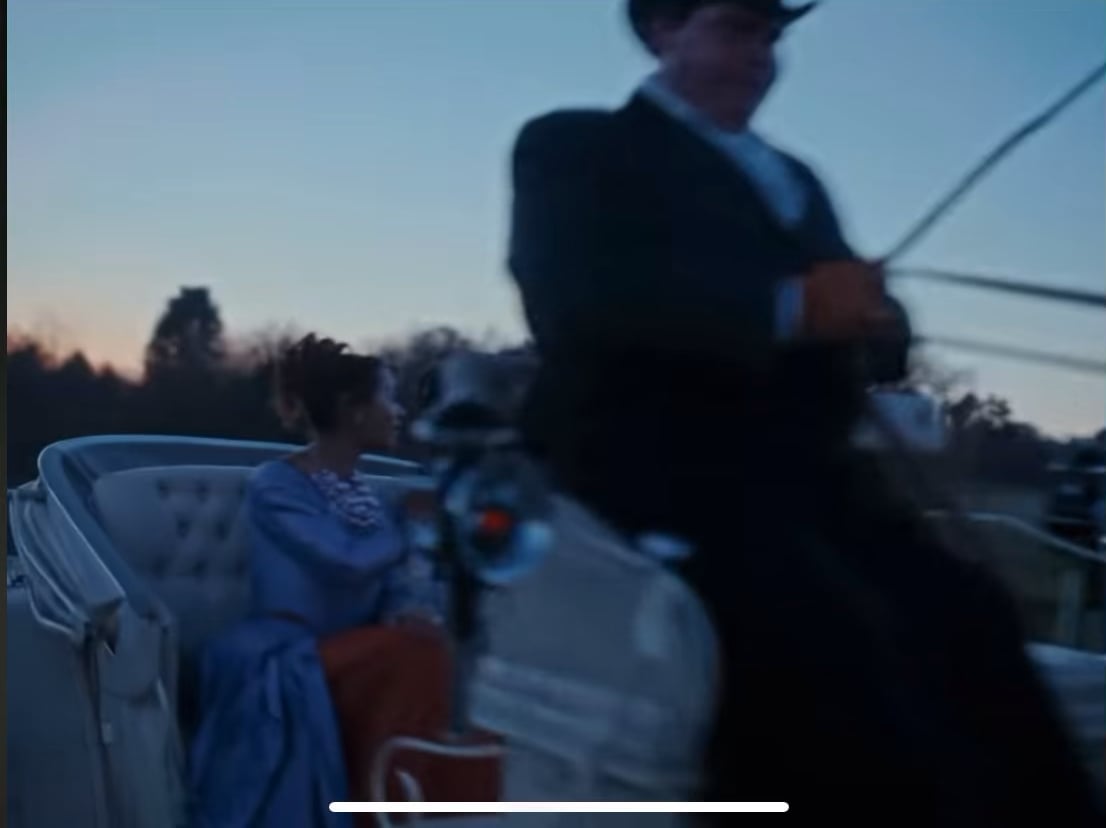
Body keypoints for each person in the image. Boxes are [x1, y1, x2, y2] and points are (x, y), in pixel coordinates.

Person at [507, 0, 1102, 822]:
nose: (761, 53)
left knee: (971, 612)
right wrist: (791, 308)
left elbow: (862, 327)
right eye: (735, 28)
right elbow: (576, 301)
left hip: (808, 482)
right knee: (821, 637)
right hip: (651, 466)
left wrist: (879, 321)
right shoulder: (576, 145)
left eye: (772, 35)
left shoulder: (797, 179)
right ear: (662, 30)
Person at [189, 334, 499, 828]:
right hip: (290, 649)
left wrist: (408, 609)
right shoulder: (277, 483)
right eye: (388, 398)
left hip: (359, 645)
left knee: (438, 650)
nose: (398, 412)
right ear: (353, 411)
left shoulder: (367, 493)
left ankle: (459, 801)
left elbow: (394, 577)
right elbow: (344, 560)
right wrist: (408, 523)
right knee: (413, 660)